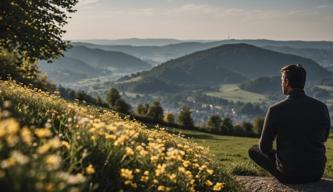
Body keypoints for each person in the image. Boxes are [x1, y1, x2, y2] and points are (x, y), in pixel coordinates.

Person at [248, 64, 331, 184]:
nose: (281, 83)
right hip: (316, 173)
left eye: (282, 80)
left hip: (288, 175)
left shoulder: (276, 110)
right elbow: (323, 137)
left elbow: (264, 147)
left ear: (286, 81)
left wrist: (278, 155)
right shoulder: (321, 107)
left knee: (253, 150)